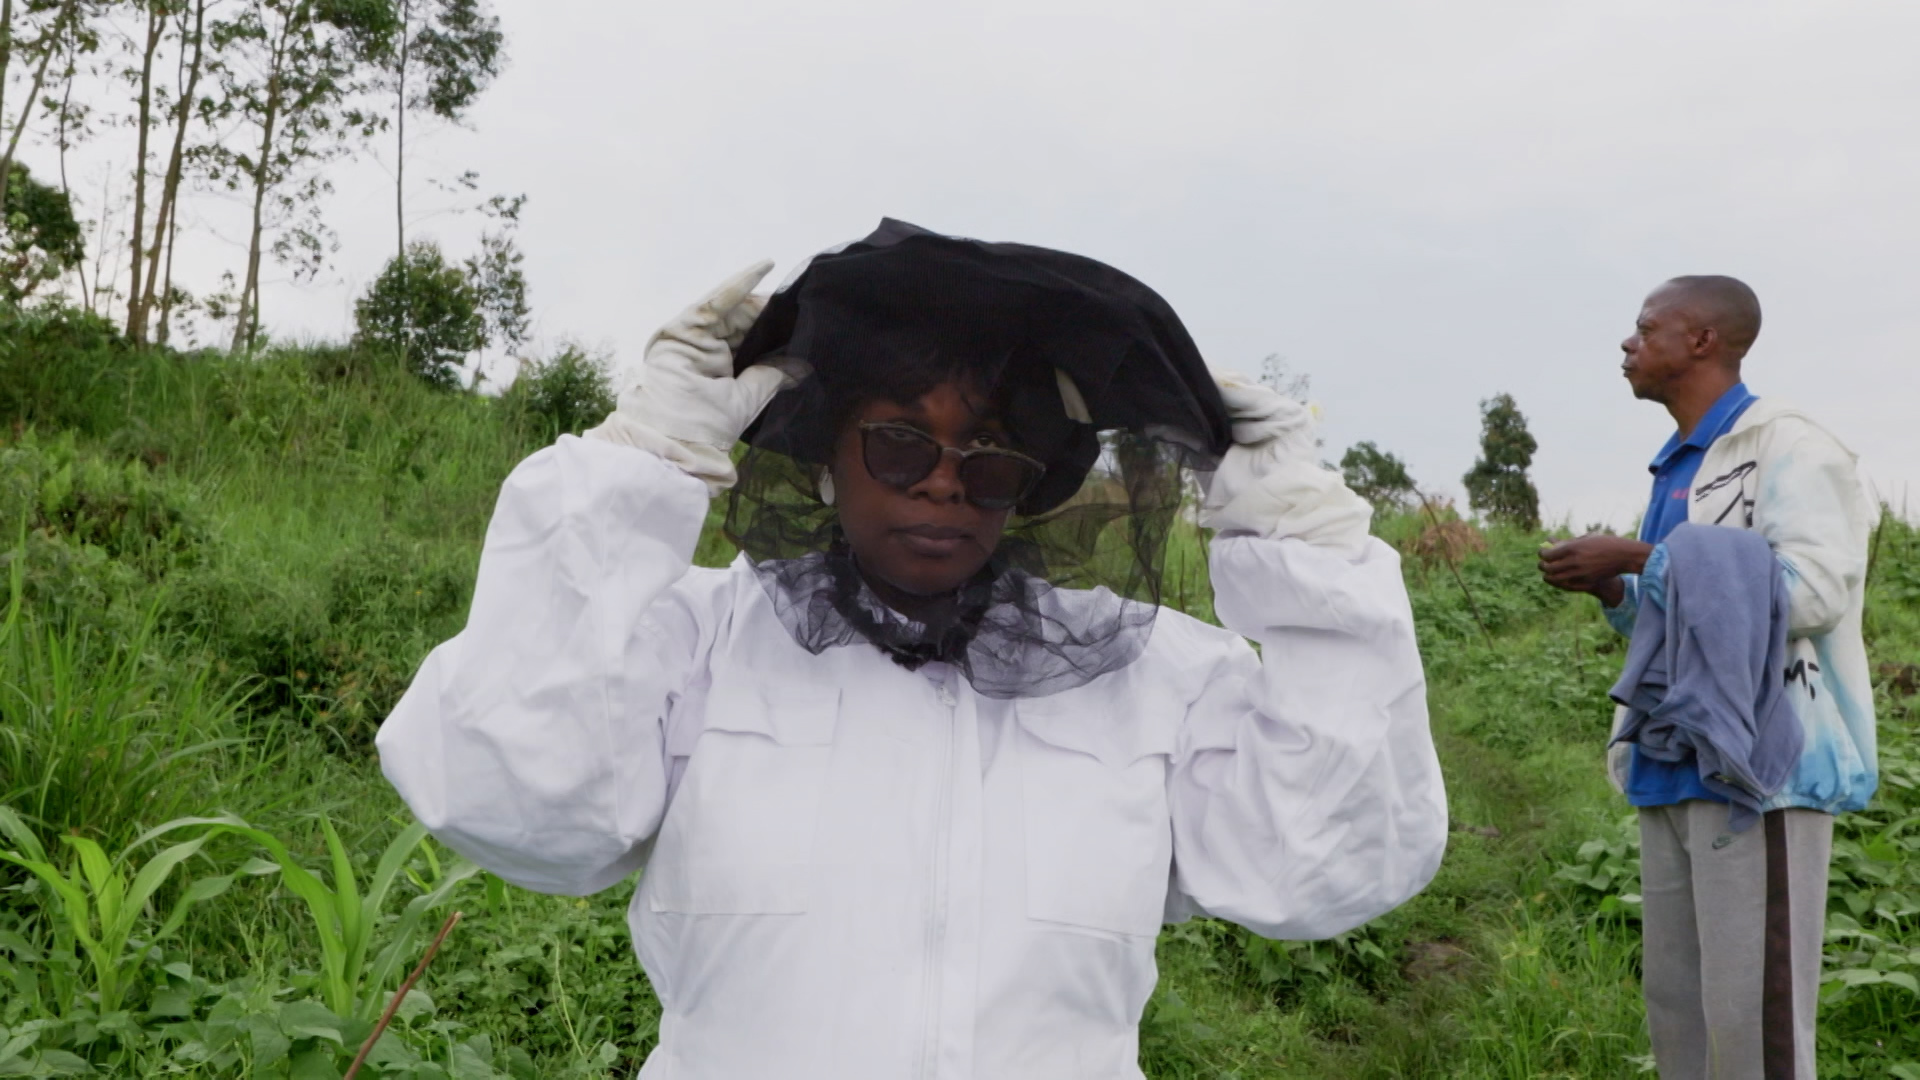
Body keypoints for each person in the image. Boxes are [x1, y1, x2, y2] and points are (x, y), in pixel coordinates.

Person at [376, 220, 1447, 1079]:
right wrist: (636, 465)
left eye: (990, 461)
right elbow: (506, 800)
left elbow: (1326, 864)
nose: (942, 482)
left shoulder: (1150, 675)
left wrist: (1309, 543)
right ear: (829, 456)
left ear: (1029, 487)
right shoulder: (698, 642)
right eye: (899, 444)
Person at [1539, 275, 1878, 1080]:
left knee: (1753, 1026)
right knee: (1682, 1017)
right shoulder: (1679, 465)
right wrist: (1618, 589)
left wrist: (1644, 556)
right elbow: (1680, 615)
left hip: (1760, 770)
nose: (1628, 344)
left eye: (1646, 327)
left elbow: (1814, 592)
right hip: (1670, 764)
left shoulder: (1788, 446)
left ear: (1702, 340)